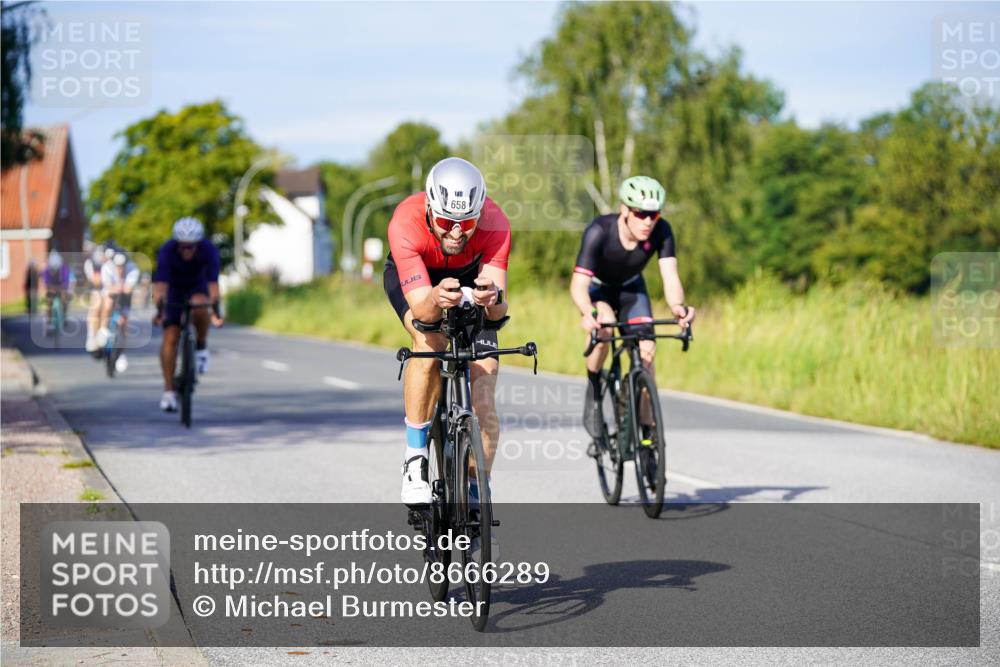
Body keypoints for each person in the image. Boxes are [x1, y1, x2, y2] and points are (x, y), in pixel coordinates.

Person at [383, 157, 510, 506]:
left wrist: (491, 298)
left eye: (467, 222)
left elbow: (499, 313)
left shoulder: (497, 224)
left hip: (470, 278)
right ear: (429, 207)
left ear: (480, 213)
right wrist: (438, 299)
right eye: (445, 221)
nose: (456, 232)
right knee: (429, 342)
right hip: (419, 280)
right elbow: (423, 310)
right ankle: (415, 459)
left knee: (485, 382)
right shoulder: (405, 223)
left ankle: (476, 490)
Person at [569, 175, 696, 444]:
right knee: (605, 324)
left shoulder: (662, 231)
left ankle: (649, 435)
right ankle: (594, 389)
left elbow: (670, 276)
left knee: (647, 354)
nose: (648, 221)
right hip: (598, 289)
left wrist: (678, 308)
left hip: (631, 289)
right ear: (625, 210)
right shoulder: (599, 231)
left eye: (654, 214)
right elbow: (578, 285)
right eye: (641, 214)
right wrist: (587, 313)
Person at [151, 217, 223, 412]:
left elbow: (213, 285)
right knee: (170, 337)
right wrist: (159, 311)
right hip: (174, 289)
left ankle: (201, 346)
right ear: (177, 244)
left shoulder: (209, 250)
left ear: (198, 244)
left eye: (191, 247)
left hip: (197, 287)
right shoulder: (167, 251)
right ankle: (168, 392)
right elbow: (160, 287)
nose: (187, 251)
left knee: (200, 306)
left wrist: (216, 311)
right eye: (183, 247)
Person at [95, 251, 140, 373]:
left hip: (125, 297)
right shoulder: (107, 267)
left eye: (122, 267)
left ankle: (121, 351)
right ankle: (103, 330)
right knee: (107, 304)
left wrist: (122, 287)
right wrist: (118, 287)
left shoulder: (133, 269)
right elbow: (108, 287)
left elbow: (128, 289)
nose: (120, 269)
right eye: (117, 267)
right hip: (111, 293)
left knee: (124, 323)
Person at [83, 244, 107, 353]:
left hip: (110, 290)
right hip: (98, 290)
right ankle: (92, 336)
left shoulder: (110, 263)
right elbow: (95, 281)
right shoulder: (89, 264)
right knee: (96, 306)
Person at [42, 249, 71, 330]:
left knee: (64, 298)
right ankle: (49, 321)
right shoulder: (47, 270)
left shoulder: (64, 269)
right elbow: (46, 282)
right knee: (49, 301)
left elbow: (66, 282)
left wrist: (61, 288)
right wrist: (51, 288)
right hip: (52, 288)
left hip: (61, 288)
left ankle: (64, 316)